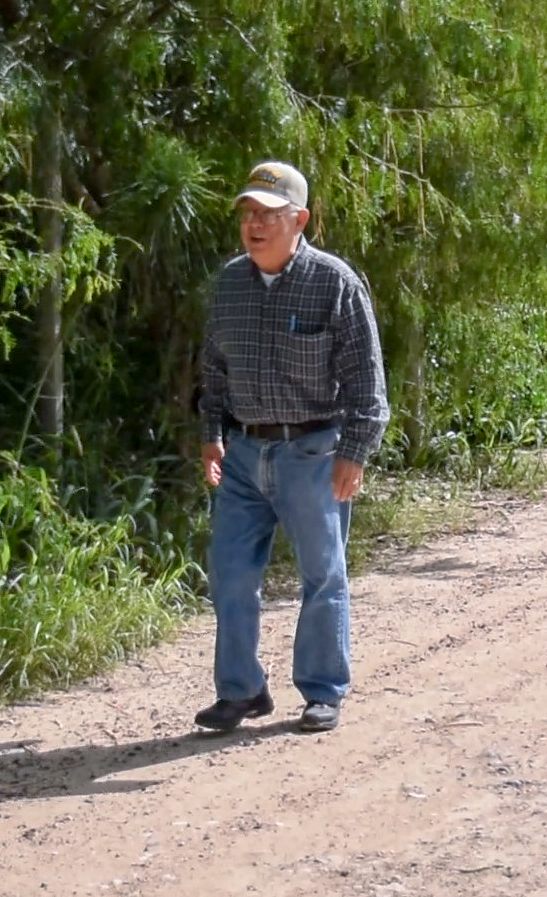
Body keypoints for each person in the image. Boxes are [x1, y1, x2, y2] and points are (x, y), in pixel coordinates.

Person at [194, 161, 389, 733]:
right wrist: (210, 435)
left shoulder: (335, 283)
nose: (254, 224)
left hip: (313, 453)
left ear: (299, 219)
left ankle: (323, 690)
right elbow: (214, 368)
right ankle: (241, 691)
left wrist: (354, 450)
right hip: (244, 454)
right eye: (248, 214)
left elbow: (367, 382)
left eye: (268, 214)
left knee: (322, 575)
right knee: (229, 574)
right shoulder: (230, 283)